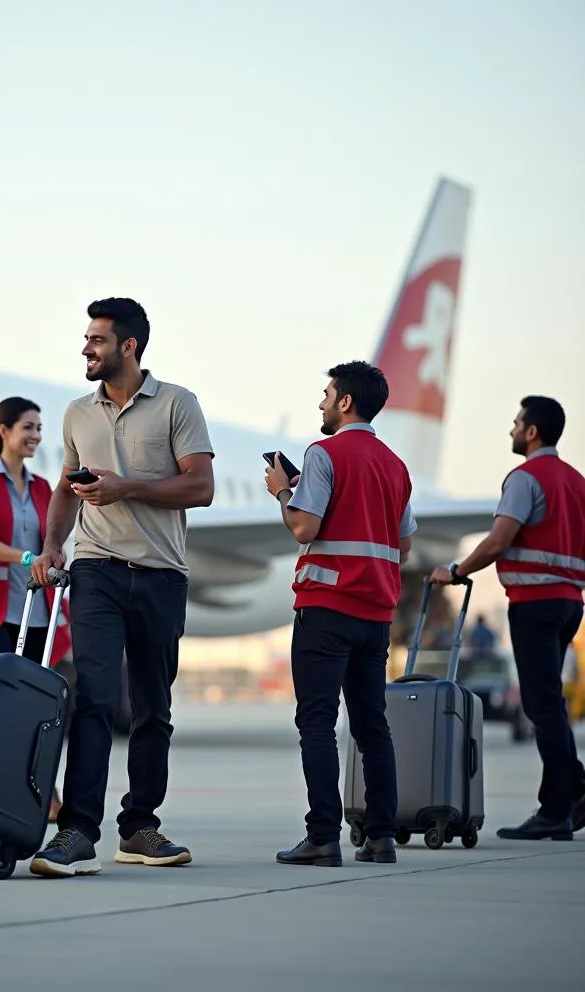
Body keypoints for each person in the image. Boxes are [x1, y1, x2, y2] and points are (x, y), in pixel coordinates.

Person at [29, 297, 214, 877]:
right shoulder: (77, 413)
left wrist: (125, 487)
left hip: (161, 575)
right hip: (96, 570)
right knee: (93, 697)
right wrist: (55, 544)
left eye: (98, 340)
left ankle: (139, 827)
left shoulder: (178, 404)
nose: (86, 348)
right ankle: (77, 831)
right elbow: (65, 489)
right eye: (86, 339)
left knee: (153, 708)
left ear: (129, 346)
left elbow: (200, 487)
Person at [265, 361, 416, 867]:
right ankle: (381, 838)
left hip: (325, 610)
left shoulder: (323, 454)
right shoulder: (396, 466)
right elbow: (407, 545)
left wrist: (283, 491)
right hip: (375, 615)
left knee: (317, 723)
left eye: (327, 394)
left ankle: (323, 836)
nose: (322, 403)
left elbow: (304, 528)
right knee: (373, 726)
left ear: (345, 401)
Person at [429, 395, 585, 839]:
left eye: (517, 423)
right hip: (570, 603)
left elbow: (499, 540)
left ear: (532, 431)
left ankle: (557, 807)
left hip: (535, 604)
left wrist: (456, 571)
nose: (512, 429)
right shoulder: (577, 482)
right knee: (549, 702)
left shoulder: (525, 479)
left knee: (541, 706)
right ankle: (572, 789)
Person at [0, 396, 71, 822]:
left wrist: (52, 558)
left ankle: (47, 793)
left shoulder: (44, 488)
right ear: (3, 431)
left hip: (36, 612)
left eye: (39, 428)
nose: (36, 436)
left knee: (37, 710)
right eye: (28, 427)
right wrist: (28, 559)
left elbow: (53, 541)